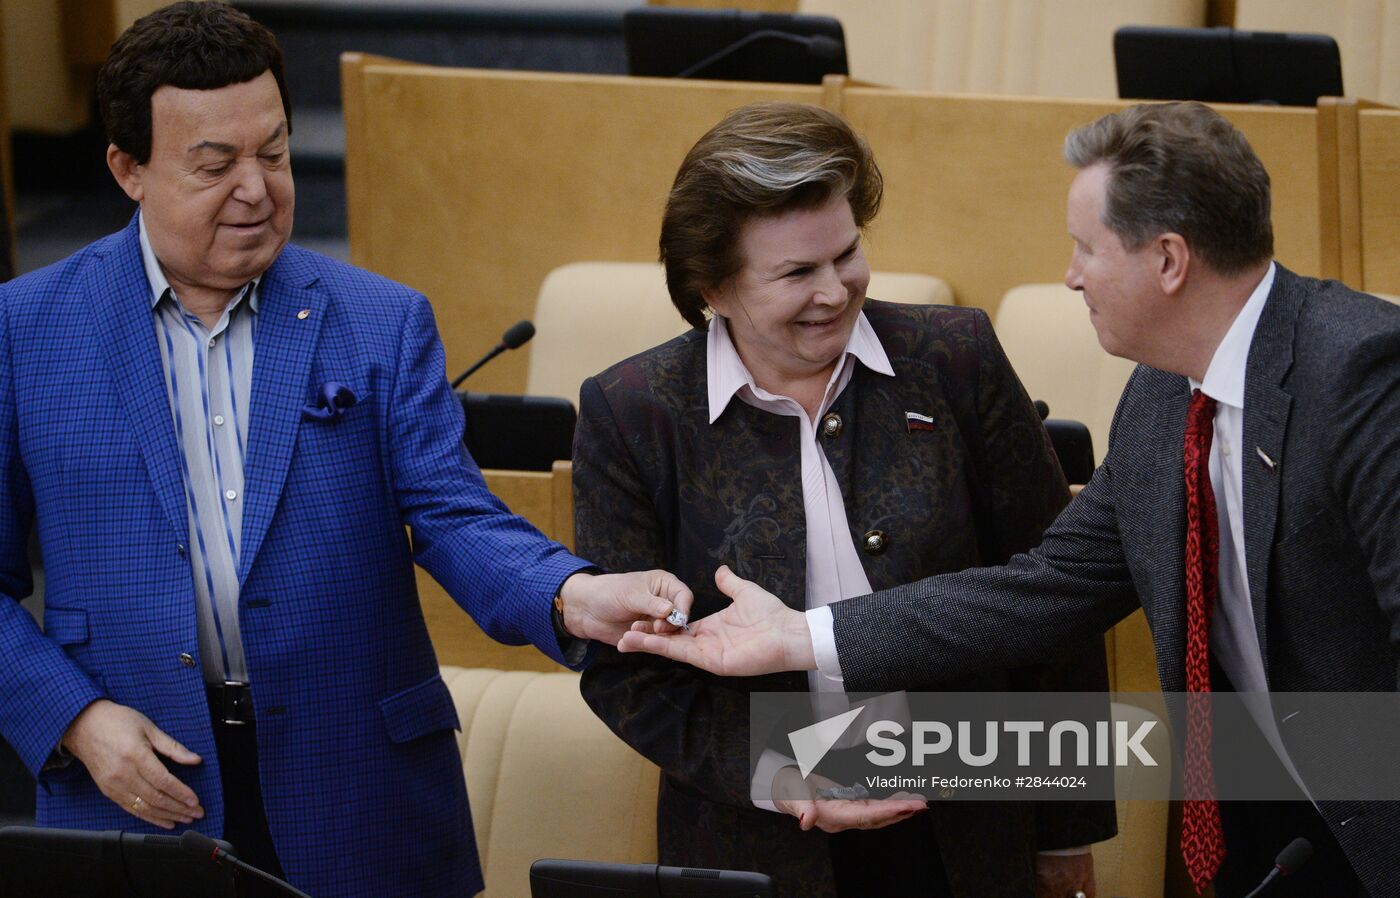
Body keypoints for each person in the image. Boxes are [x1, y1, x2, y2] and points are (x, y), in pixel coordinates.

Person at [619, 101, 1400, 898]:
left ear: (1168, 260)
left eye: (1085, 248)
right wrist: (803, 638)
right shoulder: (1163, 401)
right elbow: (1045, 588)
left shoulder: (1364, 376)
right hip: (1276, 827)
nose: (1070, 274)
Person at [0, 5, 691, 897]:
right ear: (128, 170)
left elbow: (452, 516)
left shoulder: (379, 320)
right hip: (133, 789)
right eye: (214, 164)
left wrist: (569, 592)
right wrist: (77, 718)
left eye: (276, 153)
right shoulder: (26, 329)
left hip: (359, 787)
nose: (256, 189)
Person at [572, 102, 1115, 898]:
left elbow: (1052, 603)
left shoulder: (955, 357)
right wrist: (777, 774)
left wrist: (1066, 833)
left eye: (848, 253)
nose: (836, 291)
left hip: (965, 826)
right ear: (712, 288)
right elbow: (626, 671)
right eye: (796, 273)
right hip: (757, 845)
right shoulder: (635, 412)